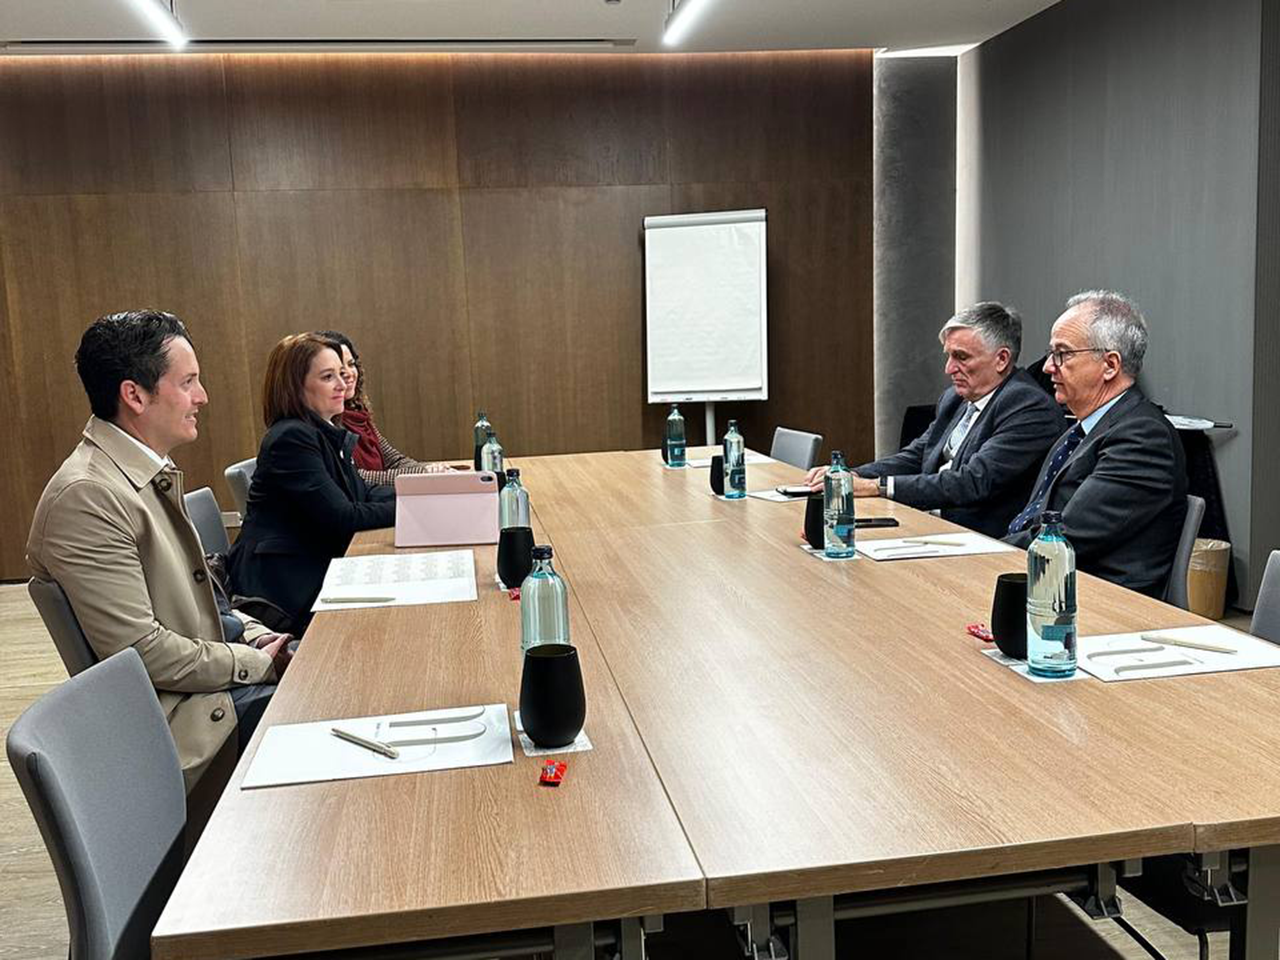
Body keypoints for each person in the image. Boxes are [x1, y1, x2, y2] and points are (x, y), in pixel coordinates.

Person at [26, 310, 292, 792]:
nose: (201, 397)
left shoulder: (143, 472)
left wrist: (258, 638)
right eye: (188, 382)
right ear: (135, 395)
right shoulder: (88, 496)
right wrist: (257, 662)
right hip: (192, 728)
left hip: (211, 689)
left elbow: (211, 606)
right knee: (340, 703)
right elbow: (141, 651)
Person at [805, 302, 1067, 538]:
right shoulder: (955, 398)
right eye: (949, 356)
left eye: (961, 357)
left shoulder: (1028, 407)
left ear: (1001, 359)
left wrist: (876, 486)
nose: (949, 368)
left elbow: (972, 481)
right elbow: (917, 455)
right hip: (927, 524)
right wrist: (851, 475)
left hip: (977, 540)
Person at [1004, 290, 1187, 596]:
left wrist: (985, 552)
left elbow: (1065, 538)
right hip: (1050, 584)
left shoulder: (1142, 437)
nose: (1048, 366)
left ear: (1110, 365)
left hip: (1098, 602)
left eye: (1062, 354)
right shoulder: (1082, 430)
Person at [228, 333, 396, 632]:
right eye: (328, 377)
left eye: (341, 374)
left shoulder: (322, 432)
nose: (343, 384)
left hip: (310, 565)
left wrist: (417, 495)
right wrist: (414, 509)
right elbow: (343, 517)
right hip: (284, 586)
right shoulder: (291, 438)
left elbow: (361, 492)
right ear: (295, 386)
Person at [315, 330, 451, 487]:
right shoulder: (324, 420)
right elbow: (355, 476)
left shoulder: (358, 413)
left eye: (351, 364)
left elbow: (394, 460)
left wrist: (429, 470)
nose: (348, 373)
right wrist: (422, 474)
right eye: (335, 370)